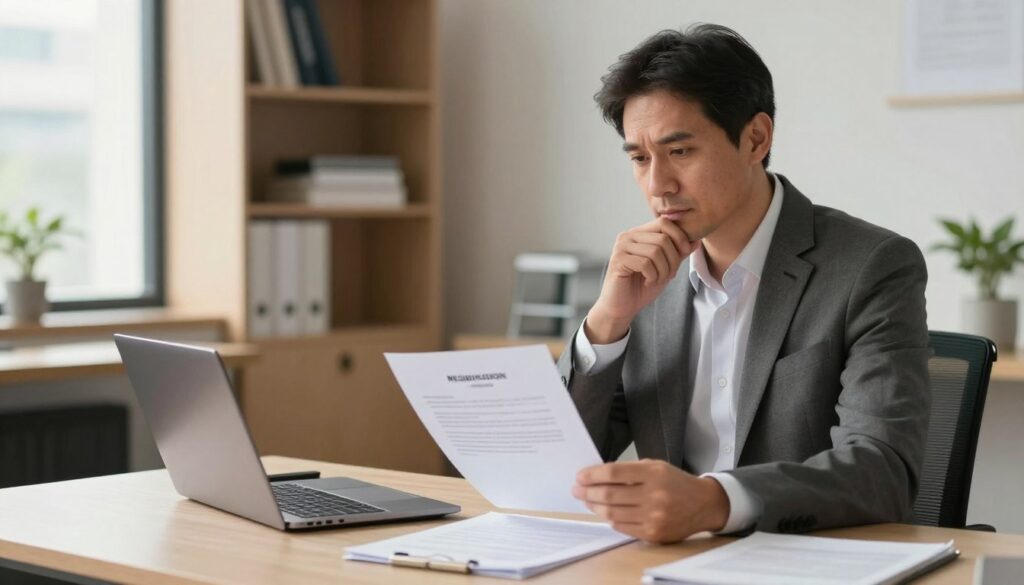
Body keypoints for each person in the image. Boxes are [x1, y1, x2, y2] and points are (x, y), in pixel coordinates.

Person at [560, 23, 930, 543]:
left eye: (680, 152)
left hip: (805, 561)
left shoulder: (871, 265)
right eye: (640, 158)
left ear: (756, 138)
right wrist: (607, 323)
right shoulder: (643, 276)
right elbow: (568, 465)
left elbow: (882, 469)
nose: (657, 185)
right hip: (666, 564)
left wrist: (714, 502)